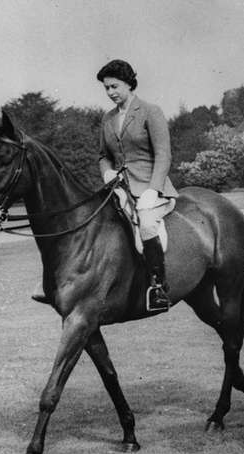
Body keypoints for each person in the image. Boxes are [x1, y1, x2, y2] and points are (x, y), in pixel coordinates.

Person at [97, 59, 178, 312]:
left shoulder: (150, 111)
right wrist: (107, 172)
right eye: (106, 88)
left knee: (146, 222)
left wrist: (153, 189)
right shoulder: (107, 119)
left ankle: (158, 287)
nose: (110, 93)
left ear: (129, 84)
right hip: (119, 187)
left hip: (151, 187)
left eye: (114, 86)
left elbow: (163, 154)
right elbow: (103, 155)